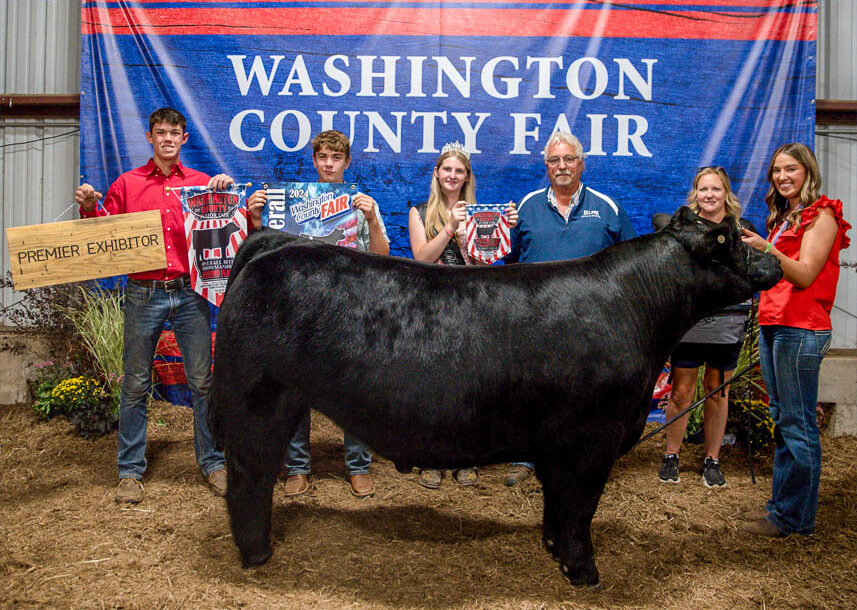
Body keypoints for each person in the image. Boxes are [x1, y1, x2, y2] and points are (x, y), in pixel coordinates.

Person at [74, 107, 234, 504]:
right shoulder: (127, 184)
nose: (167, 139)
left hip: (189, 292)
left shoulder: (200, 185)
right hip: (143, 292)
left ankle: (213, 462)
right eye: (160, 132)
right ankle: (130, 471)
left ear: (184, 139)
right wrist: (89, 206)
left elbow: (228, 225)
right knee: (135, 383)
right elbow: (102, 232)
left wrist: (225, 191)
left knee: (202, 382)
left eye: (174, 133)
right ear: (149, 137)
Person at [247, 130, 390, 498]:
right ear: (314, 161)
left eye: (336, 158)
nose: (329, 164)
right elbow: (267, 253)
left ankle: (358, 465)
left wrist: (372, 220)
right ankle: (297, 467)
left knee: (354, 390)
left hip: (348, 308)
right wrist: (257, 219)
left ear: (347, 162)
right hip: (301, 310)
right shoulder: (289, 201)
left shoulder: (361, 203)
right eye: (323, 157)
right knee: (294, 390)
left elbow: (382, 257)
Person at [503, 131, 637, 486]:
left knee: (588, 392)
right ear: (546, 166)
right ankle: (525, 456)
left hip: (593, 324)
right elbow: (508, 261)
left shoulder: (607, 208)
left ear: (582, 164)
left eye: (568, 159)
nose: (561, 166)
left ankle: (584, 457)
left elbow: (631, 265)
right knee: (533, 388)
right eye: (554, 160)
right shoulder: (525, 207)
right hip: (536, 320)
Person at [738, 143, 850, 537]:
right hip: (774, 324)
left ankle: (796, 520)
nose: (782, 177)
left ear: (807, 171)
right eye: (777, 171)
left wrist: (765, 247)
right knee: (783, 420)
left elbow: (804, 274)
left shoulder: (822, 215)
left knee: (798, 424)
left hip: (801, 328)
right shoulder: (785, 217)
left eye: (790, 169)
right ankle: (782, 510)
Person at [407, 141, 518, 489]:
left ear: (467, 176)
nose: (452, 175)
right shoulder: (419, 212)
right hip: (434, 305)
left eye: (459, 170)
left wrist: (505, 229)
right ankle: (431, 457)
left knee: (471, 384)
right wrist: (449, 228)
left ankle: (466, 456)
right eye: (447, 169)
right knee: (434, 383)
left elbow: (489, 261)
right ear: (437, 173)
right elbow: (422, 259)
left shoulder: (480, 212)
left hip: (472, 304)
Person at [657, 167, 757, 488]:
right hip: (691, 324)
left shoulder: (743, 230)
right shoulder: (682, 228)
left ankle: (712, 459)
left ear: (726, 193)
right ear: (695, 194)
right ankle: (671, 455)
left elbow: (749, 275)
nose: (709, 195)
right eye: (703, 189)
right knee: (681, 391)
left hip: (728, 325)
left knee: (717, 390)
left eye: (715, 189)